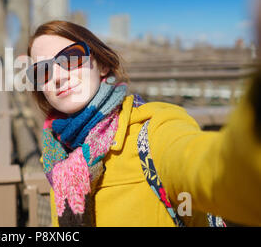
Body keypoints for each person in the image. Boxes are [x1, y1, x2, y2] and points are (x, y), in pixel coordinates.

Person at [26, 19, 261, 227]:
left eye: (72, 58)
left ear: (103, 64)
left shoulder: (155, 128)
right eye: (42, 71)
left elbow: (216, 173)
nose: (57, 76)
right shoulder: (56, 158)